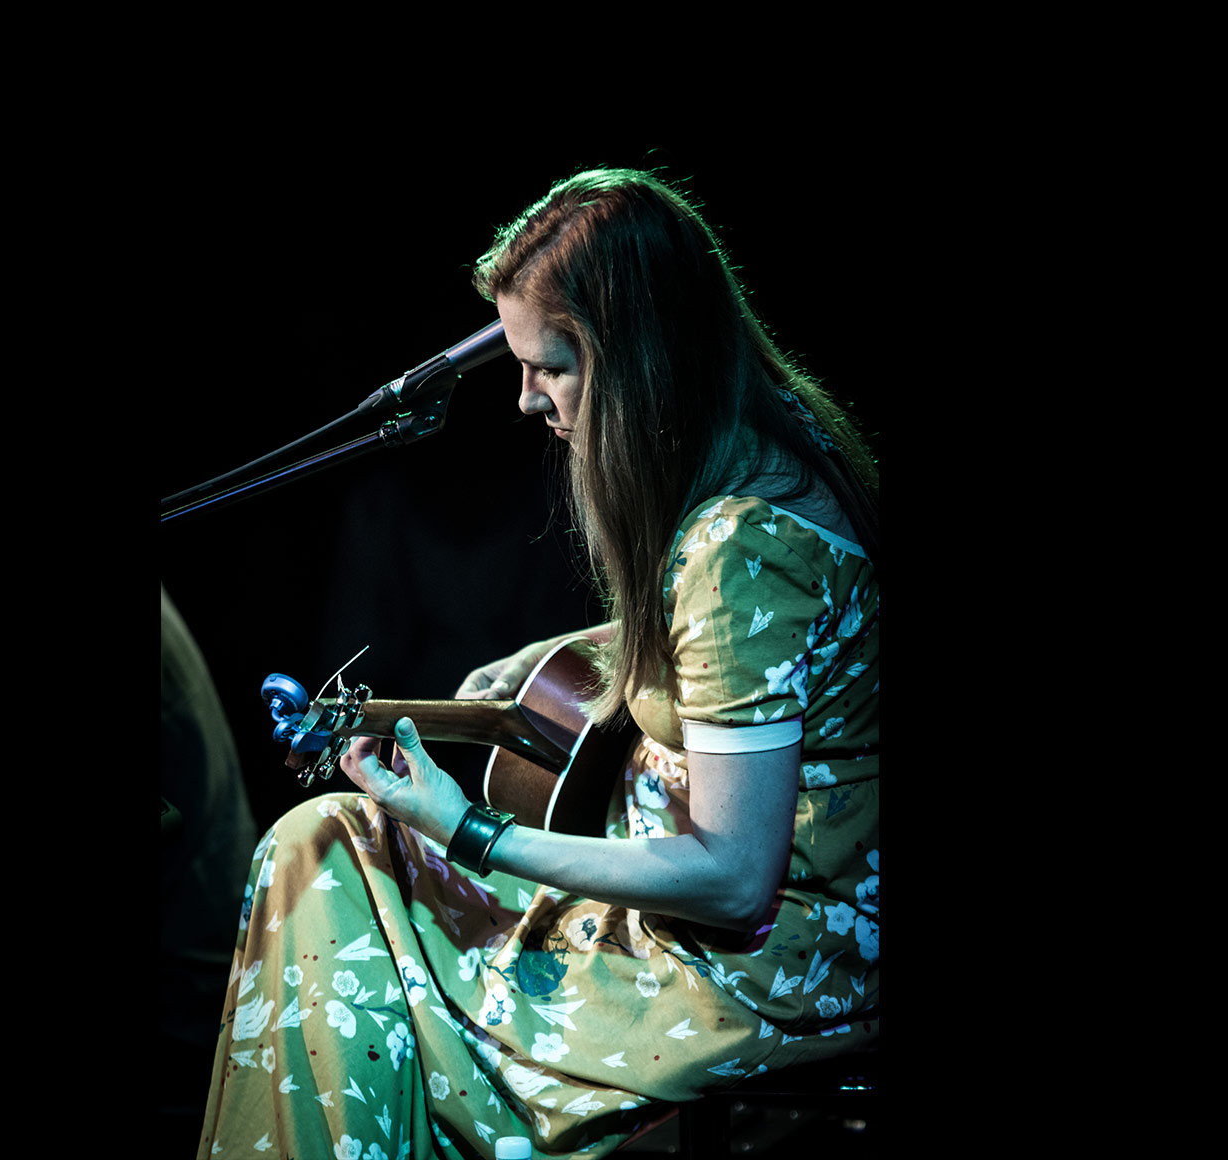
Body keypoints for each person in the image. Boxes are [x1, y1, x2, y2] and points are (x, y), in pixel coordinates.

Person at [198, 169, 879, 1159]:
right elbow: (760, 655)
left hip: (743, 977)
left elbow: (735, 878)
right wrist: (552, 654)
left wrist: (468, 828)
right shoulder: (773, 453)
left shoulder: (740, 547)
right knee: (331, 843)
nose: (524, 399)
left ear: (641, 365)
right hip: (713, 934)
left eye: (549, 368)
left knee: (325, 867)